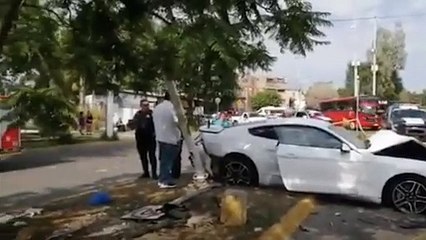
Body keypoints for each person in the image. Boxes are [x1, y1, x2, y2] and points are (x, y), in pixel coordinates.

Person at [152, 92, 181, 189]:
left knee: (163, 160)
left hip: (160, 137)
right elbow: (177, 121)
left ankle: (162, 179)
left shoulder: (157, 107)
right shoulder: (172, 108)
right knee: (168, 161)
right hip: (171, 138)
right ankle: (165, 180)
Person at [131, 99, 157, 179]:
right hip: (140, 138)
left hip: (150, 138)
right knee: (143, 156)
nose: (146, 107)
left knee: (152, 156)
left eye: (147, 105)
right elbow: (133, 124)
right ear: (141, 106)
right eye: (144, 105)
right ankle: (146, 172)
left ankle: (154, 173)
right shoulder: (138, 115)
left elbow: (156, 124)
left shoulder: (152, 114)